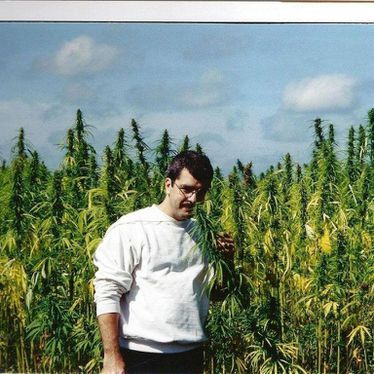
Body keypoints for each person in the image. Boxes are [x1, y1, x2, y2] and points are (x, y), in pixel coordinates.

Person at [93, 150, 233, 374]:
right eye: (186, 189)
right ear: (168, 184)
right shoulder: (132, 228)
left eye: (201, 191)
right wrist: (111, 356)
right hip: (140, 356)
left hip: (190, 356)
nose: (193, 199)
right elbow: (107, 291)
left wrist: (227, 262)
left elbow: (216, 294)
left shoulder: (203, 234)